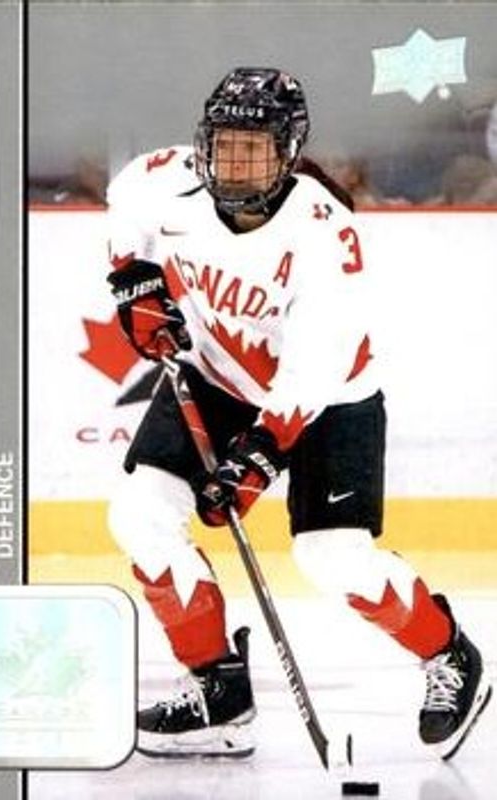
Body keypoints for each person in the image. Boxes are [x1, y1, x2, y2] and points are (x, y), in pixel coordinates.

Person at [104, 67, 491, 759]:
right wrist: (131, 275)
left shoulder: (322, 233)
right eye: (223, 145)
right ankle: (218, 694)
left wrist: (259, 456)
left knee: (330, 558)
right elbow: (125, 195)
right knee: (139, 515)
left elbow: (316, 364)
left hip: (329, 400)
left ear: (287, 152)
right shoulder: (166, 180)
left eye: (253, 149)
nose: (233, 163)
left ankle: (449, 655)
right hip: (216, 376)